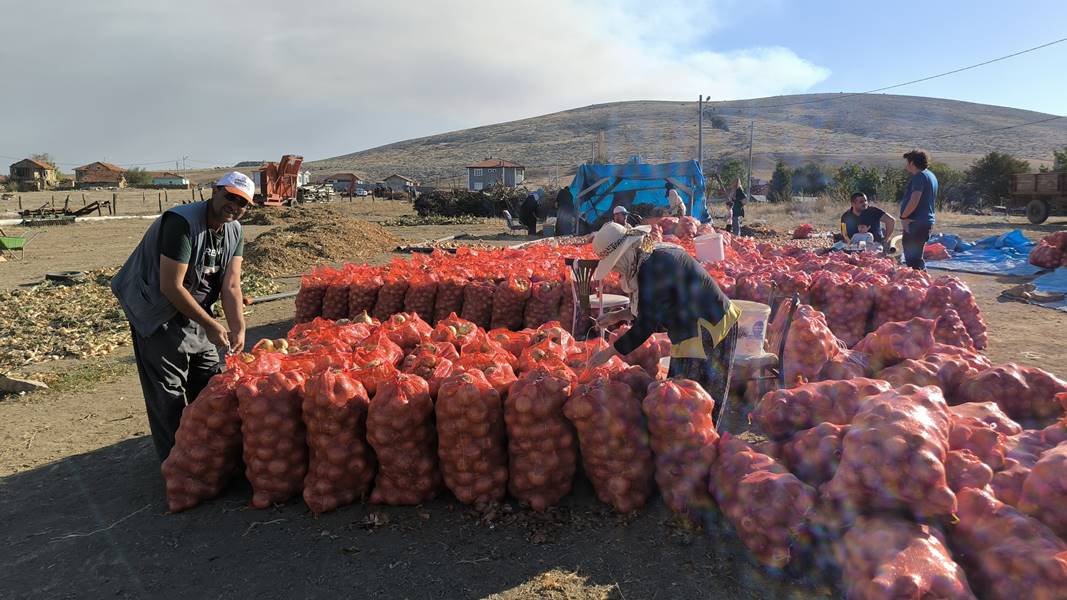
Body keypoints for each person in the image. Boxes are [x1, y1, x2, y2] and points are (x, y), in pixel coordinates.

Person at [111, 172, 251, 461]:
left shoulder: (235, 230)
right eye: (230, 196)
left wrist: (238, 327)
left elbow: (232, 284)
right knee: (169, 393)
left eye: (242, 203)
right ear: (215, 191)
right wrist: (211, 324)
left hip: (197, 309)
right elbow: (170, 286)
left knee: (211, 383)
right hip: (156, 309)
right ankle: (179, 465)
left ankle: (209, 456)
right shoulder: (182, 223)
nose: (234, 206)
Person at [587, 223, 741, 420]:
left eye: (614, 262)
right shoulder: (649, 256)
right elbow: (653, 307)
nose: (615, 269)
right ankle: (687, 443)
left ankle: (703, 444)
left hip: (708, 328)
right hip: (690, 327)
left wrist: (608, 353)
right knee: (678, 395)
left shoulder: (654, 267)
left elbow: (646, 324)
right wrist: (617, 316)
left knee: (699, 401)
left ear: (625, 252)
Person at [900, 149, 938, 270]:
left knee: (913, 260)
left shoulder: (919, 176)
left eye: (907, 162)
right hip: (924, 222)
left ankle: (922, 286)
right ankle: (922, 284)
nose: (906, 165)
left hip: (916, 223)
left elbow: (915, 199)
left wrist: (904, 217)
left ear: (912, 163)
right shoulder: (930, 175)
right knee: (916, 258)